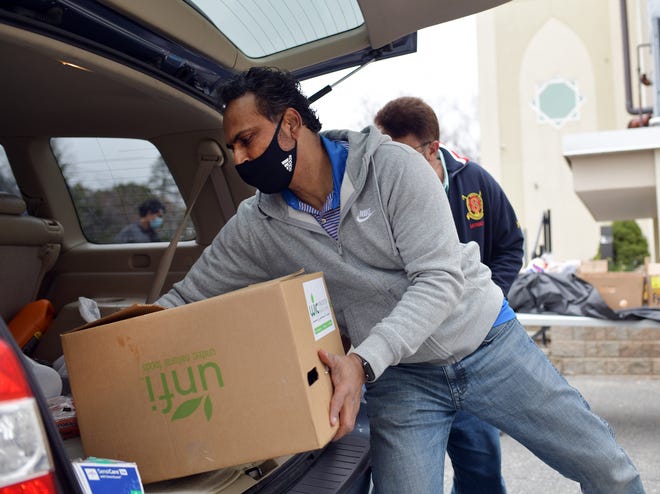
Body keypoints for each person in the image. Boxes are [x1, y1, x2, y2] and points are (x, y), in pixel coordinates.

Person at [155, 67, 644, 494]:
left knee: (606, 468)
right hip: (402, 380)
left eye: (247, 139)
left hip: (488, 345)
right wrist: (99, 349)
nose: (239, 159)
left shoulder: (393, 168)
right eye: (232, 147)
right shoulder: (258, 225)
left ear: (290, 123)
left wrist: (361, 361)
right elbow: (188, 298)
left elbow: (437, 279)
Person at [374, 96, 523, 493]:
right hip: (408, 364)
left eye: (402, 155)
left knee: (482, 471)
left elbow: (510, 245)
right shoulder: (380, 193)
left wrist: (489, 300)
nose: (391, 166)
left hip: (473, 354)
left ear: (432, 149)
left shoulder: (475, 182)